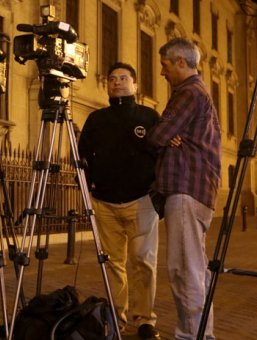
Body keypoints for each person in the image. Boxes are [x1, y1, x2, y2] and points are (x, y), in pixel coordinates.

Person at [78, 62, 162, 339]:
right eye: (112, 78)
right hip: (105, 203)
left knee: (143, 261)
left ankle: (145, 319)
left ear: (135, 85)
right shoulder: (96, 119)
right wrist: (91, 186)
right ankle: (116, 315)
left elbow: (162, 156)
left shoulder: (149, 117)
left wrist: (157, 191)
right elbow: (83, 156)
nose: (116, 82)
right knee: (113, 262)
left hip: (141, 201)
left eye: (123, 78)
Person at [146, 37, 221, 340]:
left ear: (180, 62)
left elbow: (158, 135)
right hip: (196, 190)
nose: (162, 72)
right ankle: (202, 334)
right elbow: (166, 136)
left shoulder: (188, 92)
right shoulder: (199, 93)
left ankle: (192, 336)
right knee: (194, 270)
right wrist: (167, 136)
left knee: (184, 271)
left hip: (186, 190)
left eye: (165, 65)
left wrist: (162, 133)